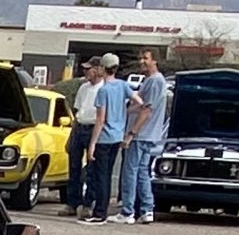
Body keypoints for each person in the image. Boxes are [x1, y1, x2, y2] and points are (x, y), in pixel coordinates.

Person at [81, 53, 137, 224]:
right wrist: (124, 112)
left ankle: (99, 213)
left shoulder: (103, 90)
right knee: (107, 173)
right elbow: (140, 101)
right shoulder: (122, 85)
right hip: (117, 136)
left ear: (103, 69)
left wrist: (92, 144)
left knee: (101, 176)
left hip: (104, 137)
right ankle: (100, 212)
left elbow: (101, 119)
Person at [115, 49, 167, 225]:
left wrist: (131, 134)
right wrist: (124, 111)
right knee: (143, 172)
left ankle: (127, 212)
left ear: (155, 61)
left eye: (145, 58)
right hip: (149, 136)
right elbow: (140, 106)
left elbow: (146, 110)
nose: (141, 61)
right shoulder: (153, 81)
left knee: (130, 172)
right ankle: (146, 210)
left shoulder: (154, 81)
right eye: (140, 58)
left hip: (141, 135)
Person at [57, 57, 105, 217]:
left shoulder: (104, 88)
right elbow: (77, 112)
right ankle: (72, 202)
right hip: (80, 126)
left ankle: (87, 204)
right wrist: (71, 135)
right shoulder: (83, 88)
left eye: (89, 69)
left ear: (98, 70)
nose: (86, 72)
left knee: (91, 169)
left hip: (94, 128)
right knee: (74, 167)